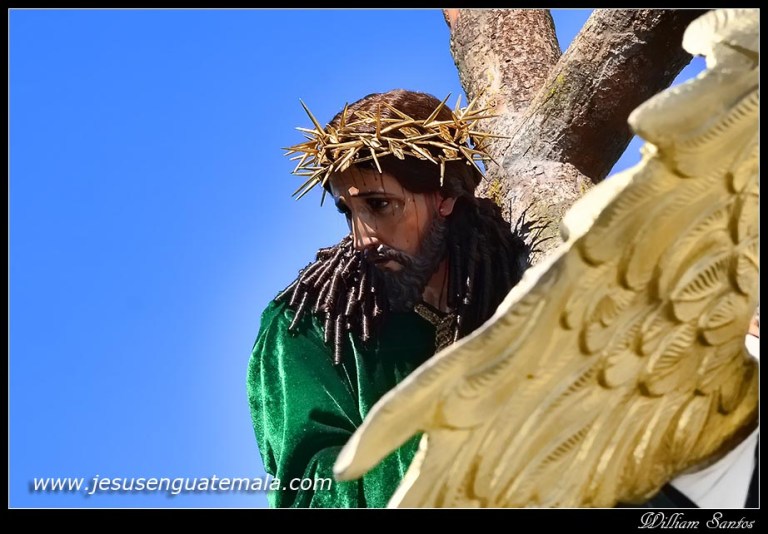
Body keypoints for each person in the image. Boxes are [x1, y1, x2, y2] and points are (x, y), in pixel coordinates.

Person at [246, 89, 535, 508]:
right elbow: (311, 488)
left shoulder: (522, 287)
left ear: (445, 196)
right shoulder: (305, 327)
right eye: (348, 211)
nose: (362, 238)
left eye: (380, 205)